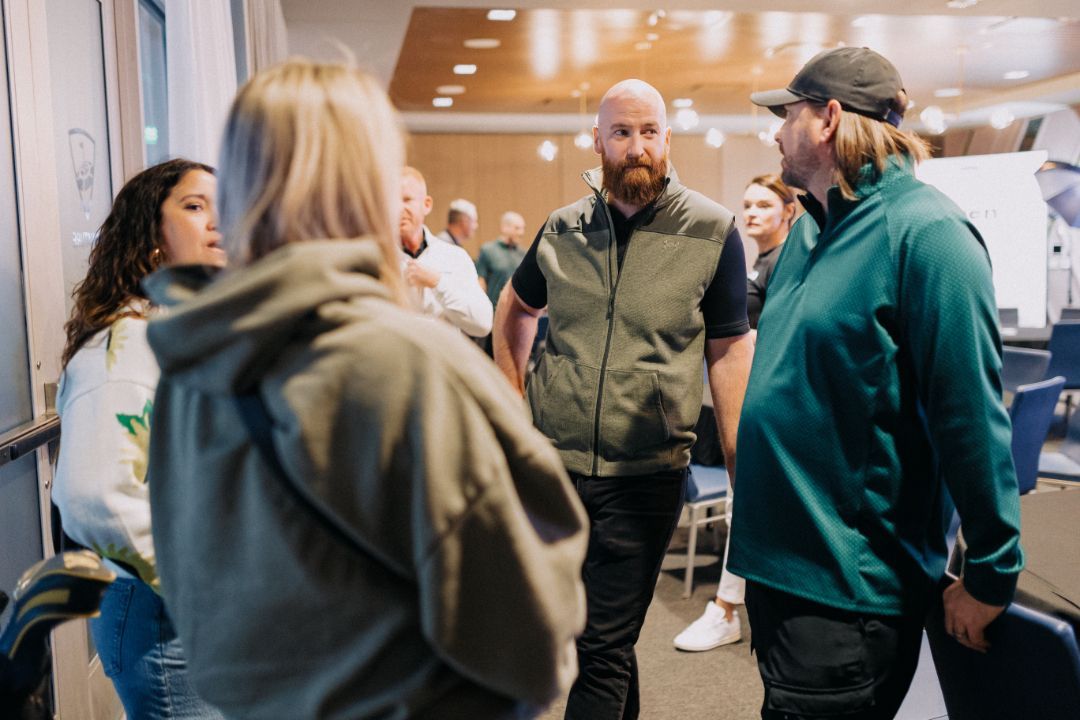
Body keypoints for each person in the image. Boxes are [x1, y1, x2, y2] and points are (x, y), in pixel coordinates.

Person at [141, 59, 588, 720]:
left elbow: (194, 599)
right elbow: (527, 641)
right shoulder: (410, 365)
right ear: (369, 184)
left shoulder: (190, 367)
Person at [730, 46, 1024, 719]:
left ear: (828, 118)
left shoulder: (930, 235)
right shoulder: (808, 231)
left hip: (849, 593)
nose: (777, 131)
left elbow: (970, 417)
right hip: (779, 572)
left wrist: (990, 571)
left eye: (788, 114)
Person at [493, 78, 754, 720]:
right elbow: (515, 307)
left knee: (601, 647)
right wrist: (512, 412)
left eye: (649, 132)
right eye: (622, 132)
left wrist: (741, 463)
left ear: (667, 138)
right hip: (553, 469)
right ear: (599, 140)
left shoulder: (713, 231)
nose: (636, 146)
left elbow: (729, 350)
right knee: (593, 635)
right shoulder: (562, 229)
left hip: (646, 473)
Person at [52, 158, 226, 719]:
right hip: (163, 615)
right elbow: (95, 498)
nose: (218, 222)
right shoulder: (126, 347)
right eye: (196, 207)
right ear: (152, 237)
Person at [673, 173, 796, 653]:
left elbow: (778, 333)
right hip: (745, 398)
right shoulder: (757, 260)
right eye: (746, 204)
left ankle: (727, 610)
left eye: (764, 205)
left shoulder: (787, 261)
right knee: (743, 502)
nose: (751, 213)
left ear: (788, 210)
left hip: (769, 404)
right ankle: (737, 607)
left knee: (743, 503)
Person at [400, 167, 493, 337]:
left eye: (407, 200)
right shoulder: (374, 259)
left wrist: (437, 282)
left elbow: (483, 323)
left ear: (426, 205)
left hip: (442, 362)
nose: (399, 208)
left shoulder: (455, 257)